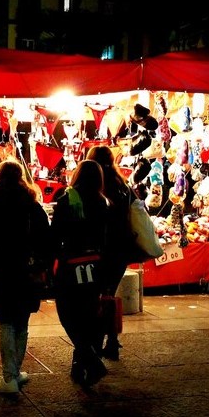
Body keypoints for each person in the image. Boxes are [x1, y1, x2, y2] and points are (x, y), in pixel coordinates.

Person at [0, 160, 52, 394]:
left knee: (6, 321)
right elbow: (45, 238)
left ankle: (9, 377)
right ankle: (14, 373)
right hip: (27, 269)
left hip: (2, 268)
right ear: (21, 178)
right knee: (22, 320)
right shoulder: (32, 205)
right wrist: (41, 265)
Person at [51, 159, 109, 387]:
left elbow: (56, 234)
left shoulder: (66, 200)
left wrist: (50, 261)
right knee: (90, 312)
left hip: (71, 263)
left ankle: (88, 356)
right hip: (96, 264)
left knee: (68, 313)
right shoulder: (102, 202)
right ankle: (82, 361)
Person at [85, 145, 132, 360]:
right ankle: (112, 340)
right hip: (120, 248)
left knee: (95, 295)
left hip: (98, 248)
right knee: (110, 293)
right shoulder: (122, 184)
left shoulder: (93, 185)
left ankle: (95, 341)